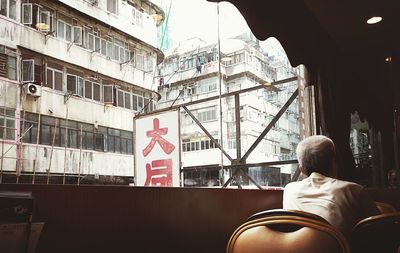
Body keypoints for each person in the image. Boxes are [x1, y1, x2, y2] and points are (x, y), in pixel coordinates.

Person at [283, 135, 379, 238]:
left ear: (302, 170)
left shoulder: (289, 190)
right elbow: (379, 229)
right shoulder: (353, 190)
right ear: (334, 162)